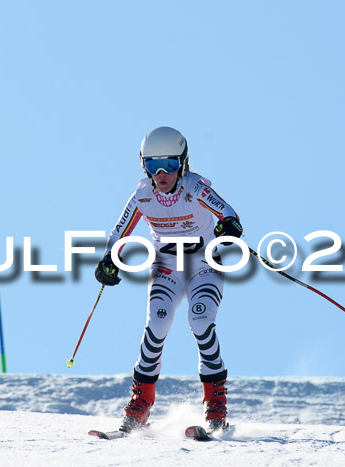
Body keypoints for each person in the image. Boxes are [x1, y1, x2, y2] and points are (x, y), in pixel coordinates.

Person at [94, 126, 243, 433]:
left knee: (200, 321)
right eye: (152, 165)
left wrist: (228, 226)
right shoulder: (143, 195)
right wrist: (109, 259)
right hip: (167, 267)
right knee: (157, 324)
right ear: (143, 166)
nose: (161, 173)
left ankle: (216, 409)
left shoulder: (195, 188)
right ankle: (139, 407)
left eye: (170, 165)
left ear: (182, 162)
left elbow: (227, 213)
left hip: (204, 265)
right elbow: (118, 233)